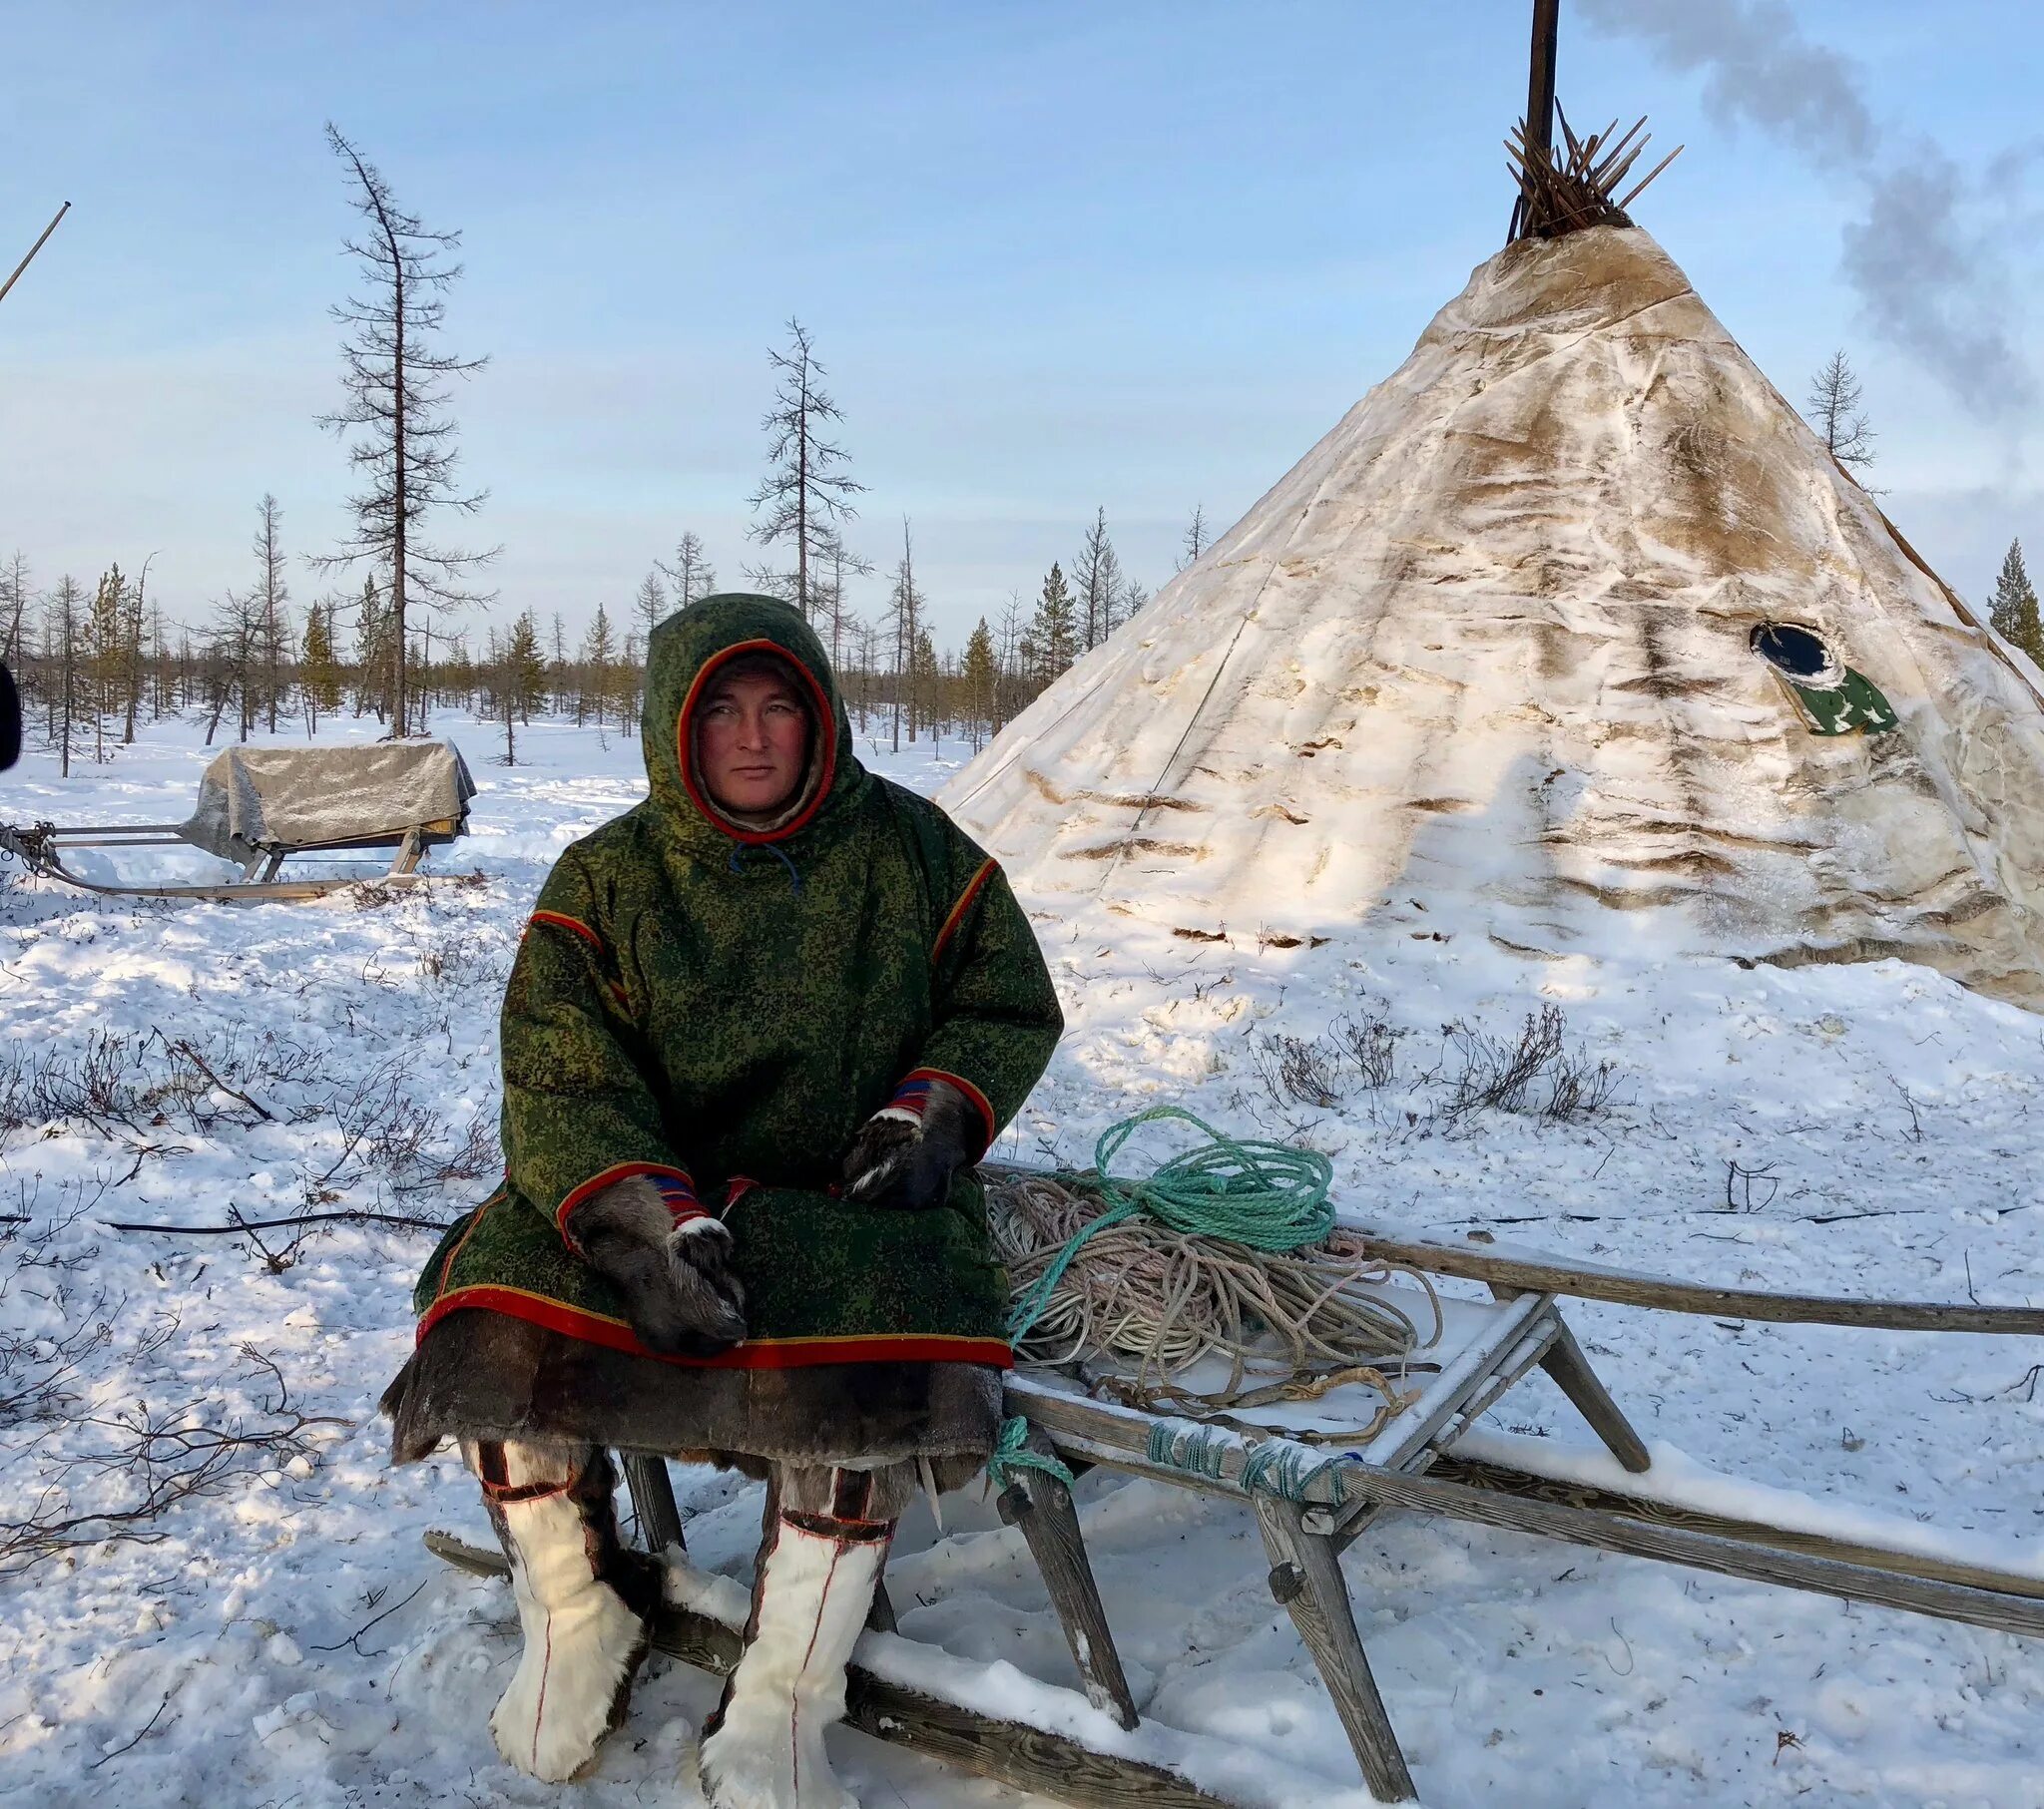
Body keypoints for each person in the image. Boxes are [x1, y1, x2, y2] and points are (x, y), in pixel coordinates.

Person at [379, 593, 1063, 1806]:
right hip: (657, 1190)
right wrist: (642, 1222)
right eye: (722, 713)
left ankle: (788, 1696)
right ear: (673, 729)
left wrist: (932, 1112)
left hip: (842, 1196)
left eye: (780, 708)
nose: (753, 739)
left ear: (821, 720)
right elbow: (557, 1077)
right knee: (488, 1298)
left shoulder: (914, 854)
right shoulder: (606, 879)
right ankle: (574, 1609)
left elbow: (1004, 1001)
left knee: (877, 1348)